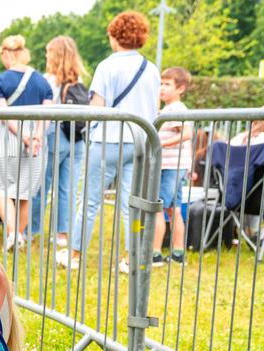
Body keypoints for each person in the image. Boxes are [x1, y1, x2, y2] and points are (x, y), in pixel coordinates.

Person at [57, 11, 160, 274]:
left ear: (115, 36)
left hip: (108, 141)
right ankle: (131, 258)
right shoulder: (152, 69)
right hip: (140, 142)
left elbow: (97, 108)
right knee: (133, 203)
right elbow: (155, 109)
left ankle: (75, 254)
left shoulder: (107, 66)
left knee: (89, 201)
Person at [0, 35, 53, 251]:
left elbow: (3, 113)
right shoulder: (42, 81)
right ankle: (20, 237)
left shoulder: (0, 80)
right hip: (35, 145)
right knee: (25, 193)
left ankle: (14, 234)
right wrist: (36, 136)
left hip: (7, 143)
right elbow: (47, 114)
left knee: (1, 189)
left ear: (6, 55)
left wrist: (21, 133)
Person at [31, 36, 88, 249]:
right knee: (68, 188)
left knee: (40, 184)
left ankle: (31, 228)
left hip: (54, 137)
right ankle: (62, 233)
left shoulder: (48, 80)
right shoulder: (79, 80)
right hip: (76, 139)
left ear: (55, 54)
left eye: (48, 51)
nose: (45, 55)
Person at [153, 67, 193, 265]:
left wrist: (158, 143)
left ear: (181, 88)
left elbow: (186, 134)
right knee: (173, 210)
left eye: (167, 84)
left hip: (170, 167)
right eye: (161, 83)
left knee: (158, 207)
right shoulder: (170, 109)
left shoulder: (175, 109)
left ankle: (155, 253)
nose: (162, 88)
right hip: (176, 166)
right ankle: (177, 253)